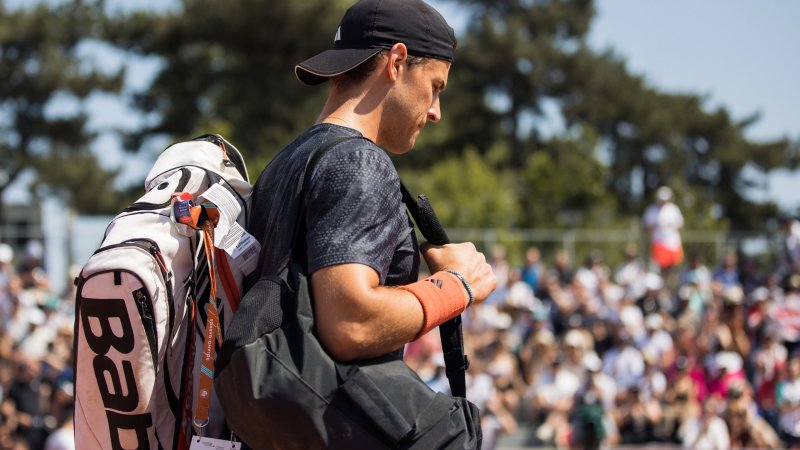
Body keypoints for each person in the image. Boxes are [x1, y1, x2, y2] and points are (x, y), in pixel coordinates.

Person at [247, 0, 496, 369]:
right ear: (396, 63)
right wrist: (457, 286)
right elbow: (351, 324)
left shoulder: (284, 162)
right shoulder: (358, 161)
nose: (436, 112)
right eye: (435, 86)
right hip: (324, 424)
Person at [643, 186, 684, 280]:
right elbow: (645, 227)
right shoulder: (652, 210)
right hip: (659, 243)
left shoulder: (673, 209)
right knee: (660, 268)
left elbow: (680, 224)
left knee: (673, 268)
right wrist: (655, 225)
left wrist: (670, 225)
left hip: (673, 243)